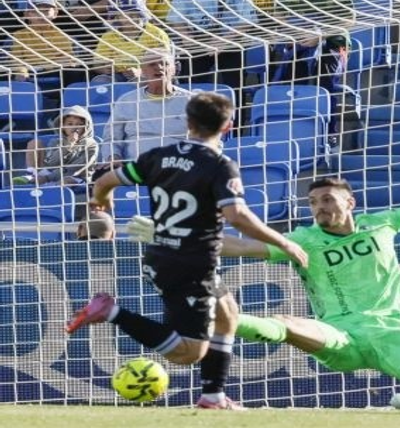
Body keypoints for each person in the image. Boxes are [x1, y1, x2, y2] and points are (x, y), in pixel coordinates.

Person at [180, 137, 400, 411]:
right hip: (339, 336)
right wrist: (179, 235)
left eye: (326, 199)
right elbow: (244, 247)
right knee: (287, 324)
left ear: (350, 202)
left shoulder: (382, 223)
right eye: (312, 202)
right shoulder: (302, 239)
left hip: (394, 332)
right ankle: (212, 324)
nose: (318, 206)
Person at [67, 92, 308, 410]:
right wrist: (284, 241)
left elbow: (106, 178)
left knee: (228, 315)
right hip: (191, 264)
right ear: (228, 127)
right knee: (189, 352)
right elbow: (237, 216)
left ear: (189, 122)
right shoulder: (219, 165)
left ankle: (213, 397)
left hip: (164, 253)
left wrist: (101, 200)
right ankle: (110, 311)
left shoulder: (158, 156)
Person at [167, 0, 258, 91]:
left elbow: (247, 20)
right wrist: (188, 38)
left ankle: (236, 109)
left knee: (233, 84)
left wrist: (223, 41)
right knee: (191, 83)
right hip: (198, 40)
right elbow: (177, 20)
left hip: (230, 40)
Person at [104, 48, 193, 164]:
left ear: (174, 69)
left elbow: (210, 139)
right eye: (152, 64)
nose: (159, 68)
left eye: (164, 63)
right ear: (143, 71)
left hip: (180, 167)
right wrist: (113, 157)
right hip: (137, 168)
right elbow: (111, 138)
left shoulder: (192, 101)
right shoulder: (127, 101)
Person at [8, 0, 88, 101]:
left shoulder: (62, 36)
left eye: (46, 11)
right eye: (36, 11)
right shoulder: (19, 35)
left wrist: (56, 63)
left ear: (55, 13)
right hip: (29, 71)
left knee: (73, 70)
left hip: (54, 70)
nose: (41, 15)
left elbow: (66, 57)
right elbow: (16, 58)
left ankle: (67, 102)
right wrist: (21, 71)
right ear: (27, 14)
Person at [91, 0, 172, 83]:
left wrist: (141, 72)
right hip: (117, 75)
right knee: (100, 81)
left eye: (134, 14)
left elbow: (166, 62)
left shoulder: (156, 33)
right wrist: (105, 69)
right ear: (117, 17)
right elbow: (97, 63)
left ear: (144, 14)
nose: (130, 19)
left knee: (138, 82)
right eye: (124, 15)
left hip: (149, 75)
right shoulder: (109, 36)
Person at [14, 105, 98, 187]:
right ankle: (31, 173)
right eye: (70, 124)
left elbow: (76, 169)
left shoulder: (91, 145)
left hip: (77, 177)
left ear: (86, 127)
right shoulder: (56, 141)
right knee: (34, 142)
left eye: (79, 125)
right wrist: (67, 146)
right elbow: (51, 163)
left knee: (65, 181)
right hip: (52, 174)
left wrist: (47, 178)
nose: (74, 127)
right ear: (62, 127)